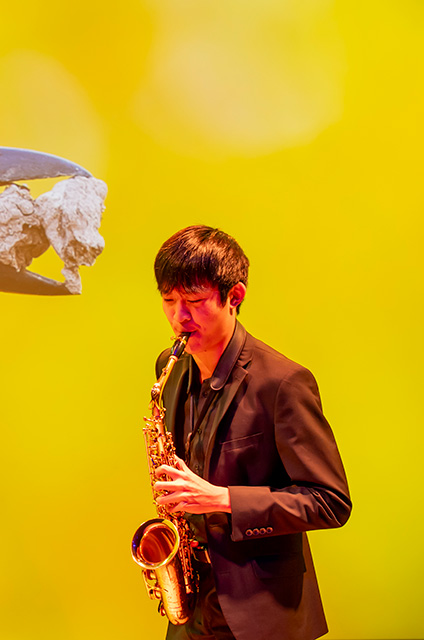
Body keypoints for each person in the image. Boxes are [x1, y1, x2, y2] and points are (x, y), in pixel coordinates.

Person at [149, 225, 351, 640]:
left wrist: (223, 499)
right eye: (168, 301)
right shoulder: (169, 371)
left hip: (261, 615)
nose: (178, 318)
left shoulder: (283, 383)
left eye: (194, 301)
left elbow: (331, 503)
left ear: (234, 297)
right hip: (190, 604)